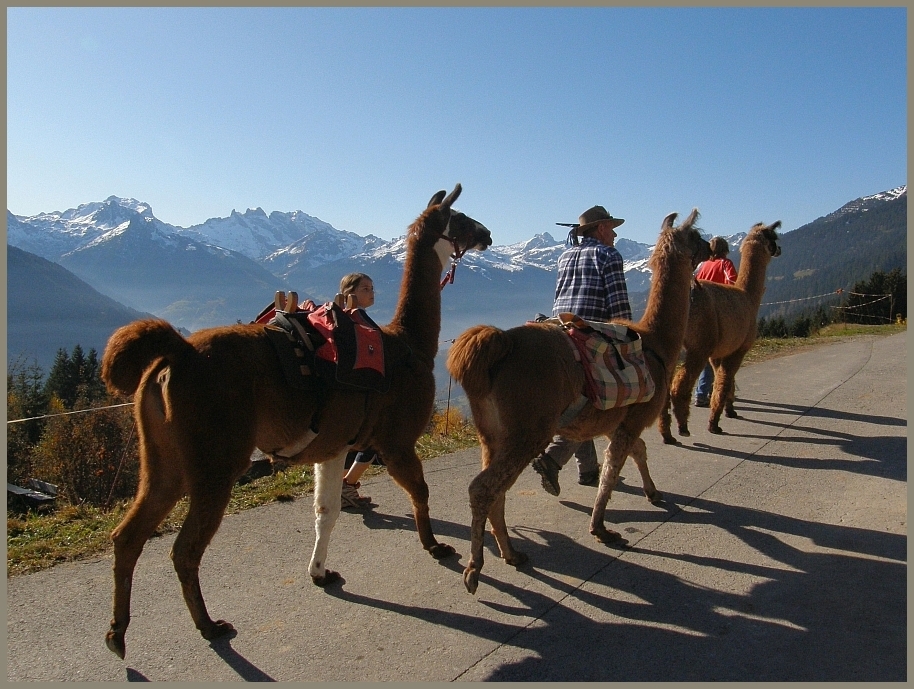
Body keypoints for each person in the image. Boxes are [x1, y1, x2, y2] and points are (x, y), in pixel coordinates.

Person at [531, 205, 632, 497]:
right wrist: (627, 337)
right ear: (600, 229)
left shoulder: (565, 255)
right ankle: (552, 459)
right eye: (611, 228)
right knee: (598, 400)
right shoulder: (609, 255)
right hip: (590, 333)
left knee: (577, 397)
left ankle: (588, 471)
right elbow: (619, 305)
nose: (614, 234)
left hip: (559, 331)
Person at [334, 272, 381, 509]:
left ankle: (339, 490)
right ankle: (347, 485)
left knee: (350, 442)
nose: (371, 292)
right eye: (365, 289)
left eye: (372, 288)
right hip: (360, 392)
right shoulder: (357, 318)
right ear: (349, 293)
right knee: (372, 439)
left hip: (347, 391)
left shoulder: (342, 316)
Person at [692, 236, 738, 407]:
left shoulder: (703, 266)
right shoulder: (725, 264)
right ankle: (718, 391)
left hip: (700, 313)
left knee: (705, 354)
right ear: (725, 249)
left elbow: (696, 284)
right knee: (722, 353)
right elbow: (733, 283)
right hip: (720, 313)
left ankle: (702, 392)